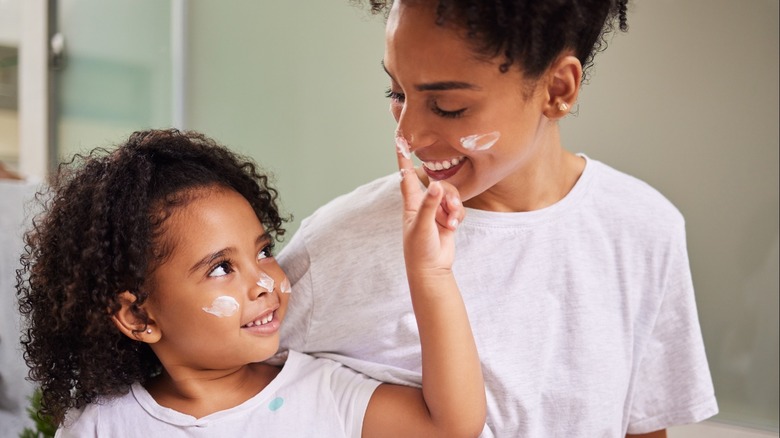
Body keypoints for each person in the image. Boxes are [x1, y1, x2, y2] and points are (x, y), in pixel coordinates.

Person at [276, 0, 719, 436]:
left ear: (558, 89)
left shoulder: (644, 229)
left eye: (448, 106)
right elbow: (239, 397)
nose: (407, 135)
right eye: (397, 93)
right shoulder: (336, 247)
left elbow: (642, 426)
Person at [15, 128, 486, 437]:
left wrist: (431, 274)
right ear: (139, 315)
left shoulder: (323, 393)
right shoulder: (101, 427)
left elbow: (450, 426)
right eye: (221, 268)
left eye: (263, 251)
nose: (264, 281)